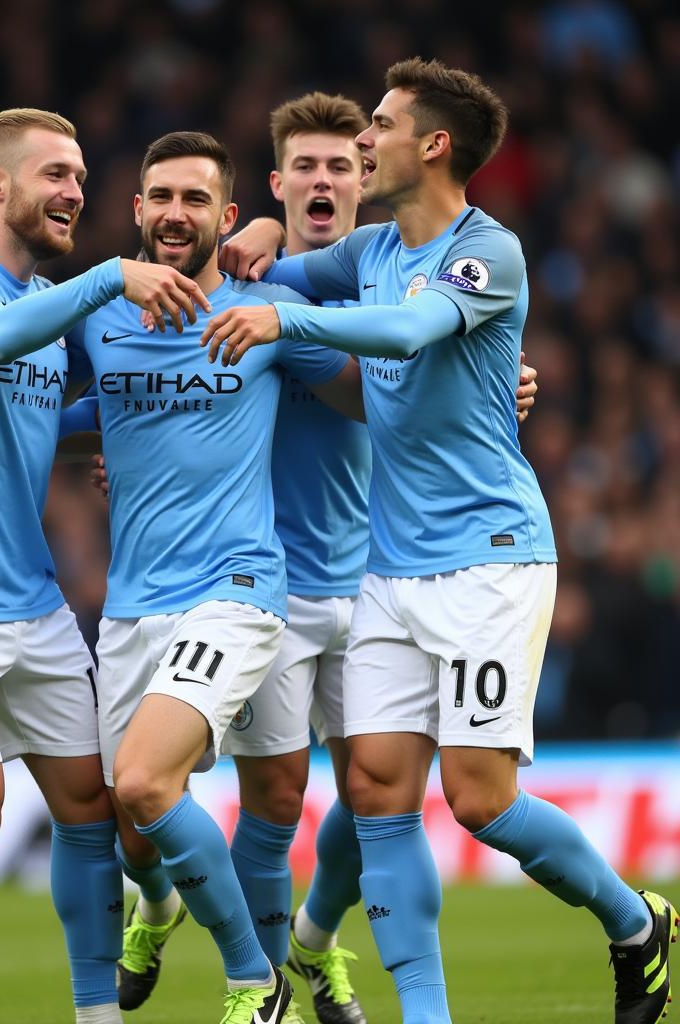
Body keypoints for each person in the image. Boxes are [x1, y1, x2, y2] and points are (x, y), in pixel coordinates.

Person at [203, 58, 677, 1024]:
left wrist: (283, 310)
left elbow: (414, 331)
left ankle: (638, 924)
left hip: (490, 559)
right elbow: (262, 261)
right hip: (390, 570)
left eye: (379, 124)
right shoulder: (369, 250)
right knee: (377, 792)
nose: (363, 141)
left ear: (433, 145)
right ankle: (426, 1016)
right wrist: (249, 229)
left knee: (480, 801)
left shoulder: (485, 251)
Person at [94, 94, 536, 1024]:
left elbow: (411, 371)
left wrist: (500, 385)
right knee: (270, 797)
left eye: (344, 164)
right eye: (308, 167)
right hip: (271, 584)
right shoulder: (255, 277)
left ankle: (310, 951)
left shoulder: (371, 277)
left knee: (377, 792)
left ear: (364, 178)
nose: (328, 178)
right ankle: (212, 941)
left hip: (376, 571)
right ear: (277, 183)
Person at [0, 107, 207, 1024]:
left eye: (82, 177)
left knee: (91, 812)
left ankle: (98, 1016)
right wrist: (106, 278)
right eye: (56, 174)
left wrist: (131, 430)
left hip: (29, 595)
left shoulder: (47, 324)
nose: (76, 192)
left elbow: (40, 418)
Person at [71, 130, 365, 1024]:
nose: (175, 214)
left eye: (197, 200)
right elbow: (33, 402)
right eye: (161, 196)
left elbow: (366, 394)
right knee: (133, 824)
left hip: (240, 588)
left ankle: (257, 979)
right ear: (136, 210)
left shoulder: (262, 310)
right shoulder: (96, 313)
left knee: (228, 792)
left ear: (227, 217)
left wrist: (485, 388)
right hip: (131, 605)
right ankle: (155, 907)